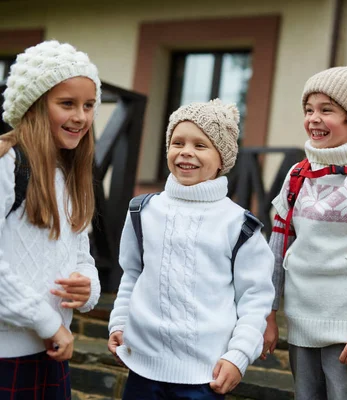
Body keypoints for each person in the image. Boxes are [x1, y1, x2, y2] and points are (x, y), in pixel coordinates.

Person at [107, 100, 275, 399]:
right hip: (143, 367)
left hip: (204, 375)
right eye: (177, 142)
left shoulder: (240, 226)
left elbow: (255, 299)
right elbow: (131, 274)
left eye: (200, 145)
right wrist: (119, 322)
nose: (186, 151)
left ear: (222, 158)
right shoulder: (141, 211)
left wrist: (238, 355)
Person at [262, 64, 347, 400]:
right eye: (309, 109)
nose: (314, 118)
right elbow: (276, 248)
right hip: (300, 321)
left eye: (328, 110)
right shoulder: (297, 176)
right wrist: (268, 313)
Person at [0, 40, 102, 399]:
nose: (81, 117)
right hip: (8, 356)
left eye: (89, 105)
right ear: (34, 104)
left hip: (52, 353)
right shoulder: (8, 165)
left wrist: (88, 286)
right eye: (67, 104)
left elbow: (80, 255)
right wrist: (47, 323)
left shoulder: (70, 174)